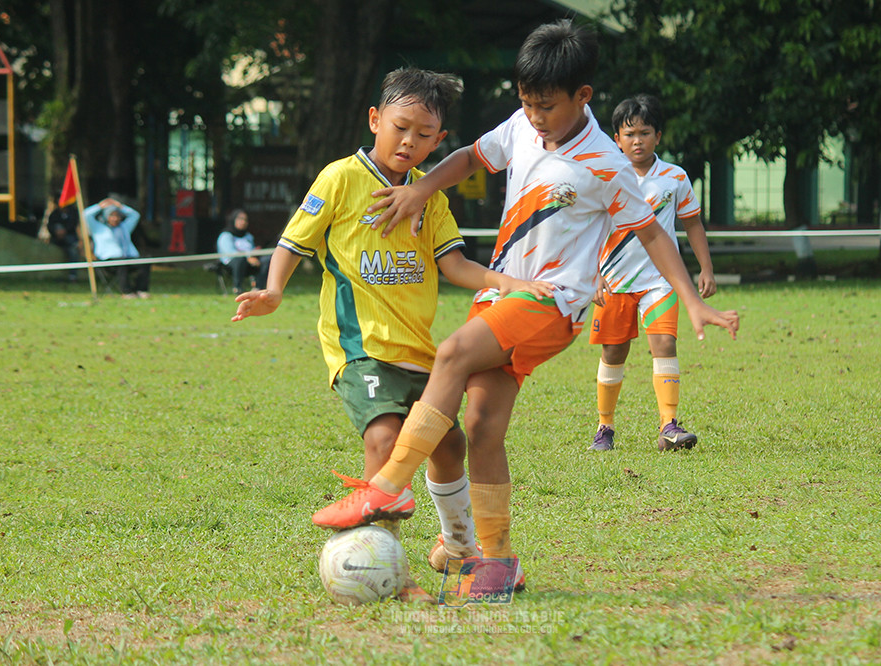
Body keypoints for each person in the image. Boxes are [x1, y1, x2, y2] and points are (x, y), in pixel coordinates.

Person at [310, 20, 739, 589]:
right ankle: (496, 562)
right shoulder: (520, 126)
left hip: (553, 302)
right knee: (482, 426)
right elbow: (470, 158)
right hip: (502, 295)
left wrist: (690, 298)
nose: (534, 115)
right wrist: (421, 187)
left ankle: (388, 485)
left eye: (546, 106)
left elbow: (653, 234)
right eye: (526, 102)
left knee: (452, 353)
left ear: (582, 96)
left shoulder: (606, 163)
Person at [231, 67, 554, 602]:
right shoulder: (340, 178)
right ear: (375, 120)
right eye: (400, 127)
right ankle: (392, 571)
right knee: (384, 440)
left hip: (420, 353)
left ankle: (458, 550)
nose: (409, 142)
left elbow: (455, 265)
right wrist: (273, 290)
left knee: (449, 445)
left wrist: (508, 282)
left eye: (424, 135)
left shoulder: (432, 197)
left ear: (439, 140)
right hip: (360, 349)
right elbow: (294, 240)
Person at [589, 94, 717, 452]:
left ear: (658, 136)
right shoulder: (605, 176)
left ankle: (668, 426)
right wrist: (592, 274)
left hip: (660, 280)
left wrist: (706, 268)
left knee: (665, 343)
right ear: (616, 138)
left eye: (645, 133)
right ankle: (605, 427)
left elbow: (692, 223)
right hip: (613, 281)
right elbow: (590, 227)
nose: (637, 141)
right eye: (629, 134)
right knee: (613, 352)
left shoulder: (674, 177)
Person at [83, 197, 150, 298]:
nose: (115, 218)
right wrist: (99, 206)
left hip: (128, 258)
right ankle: (127, 292)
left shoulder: (124, 227)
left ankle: (141, 290)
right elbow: (86, 214)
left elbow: (135, 215)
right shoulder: (98, 228)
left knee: (145, 261)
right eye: (112, 216)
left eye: (117, 216)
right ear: (106, 216)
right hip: (108, 261)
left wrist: (121, 206)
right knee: (121, 263)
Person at [217, 209, 271, 294]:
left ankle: (258, 288)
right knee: (240, 259)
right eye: (240, 219)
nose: (243, 222)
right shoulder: (226, 236)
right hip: (231, 263)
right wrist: (248, 258)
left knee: (266, 260)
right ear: (233, 220)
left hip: (249, 263)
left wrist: (255, 253)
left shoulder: (248, 236)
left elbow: (250, 250)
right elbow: (230, 252)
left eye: (245, 220)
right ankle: (237, 288)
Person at [40, 191, 81, 281]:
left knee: (73, 252)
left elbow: (73, 224)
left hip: (70, 239)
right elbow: (50, 225)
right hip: (56, 239)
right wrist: (56, 232)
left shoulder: (73, 212)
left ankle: (72, 276)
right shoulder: (54, 214)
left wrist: (64, 231)